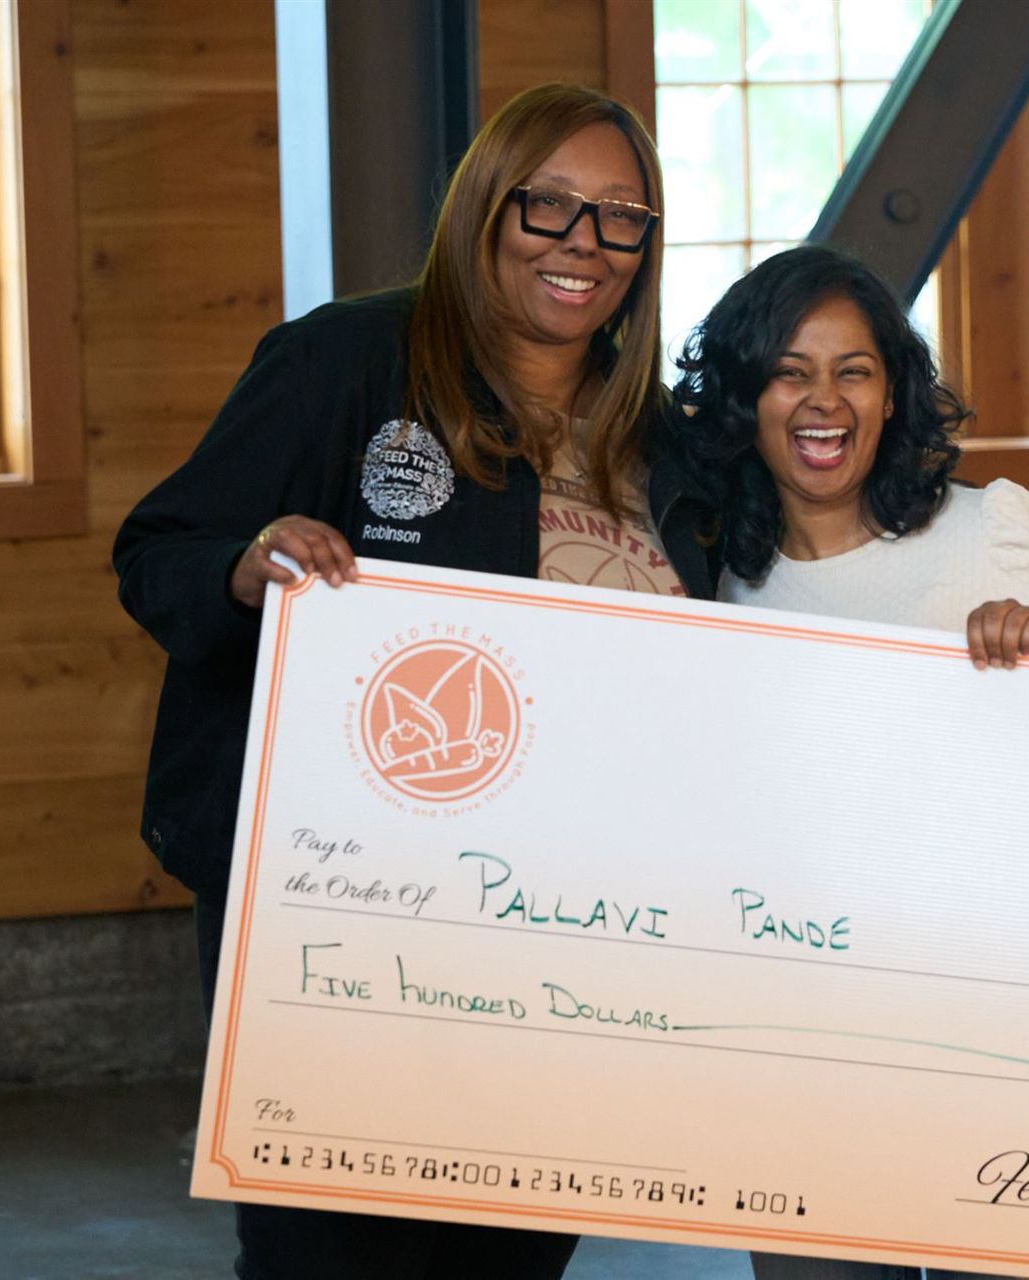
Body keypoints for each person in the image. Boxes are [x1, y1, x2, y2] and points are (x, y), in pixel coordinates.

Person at [112, 83, 717, 1280]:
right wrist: (242, 565)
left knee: (506, 1254)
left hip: (571, 928)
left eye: (620, 216)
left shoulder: (669, 439)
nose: (582, 244)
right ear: (488, 209)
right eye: (550, 205)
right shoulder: (345, 360)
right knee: (329, 1250)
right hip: (338, 913)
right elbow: (157, 549)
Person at [672, 244, 1029, 1280]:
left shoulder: (991, 529)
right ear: (745, 396)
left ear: (892, 390)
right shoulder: (709, 577)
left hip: (996, 1029)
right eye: (789, 370)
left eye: (853, 369)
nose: (824, 400)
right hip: (804, 1045)